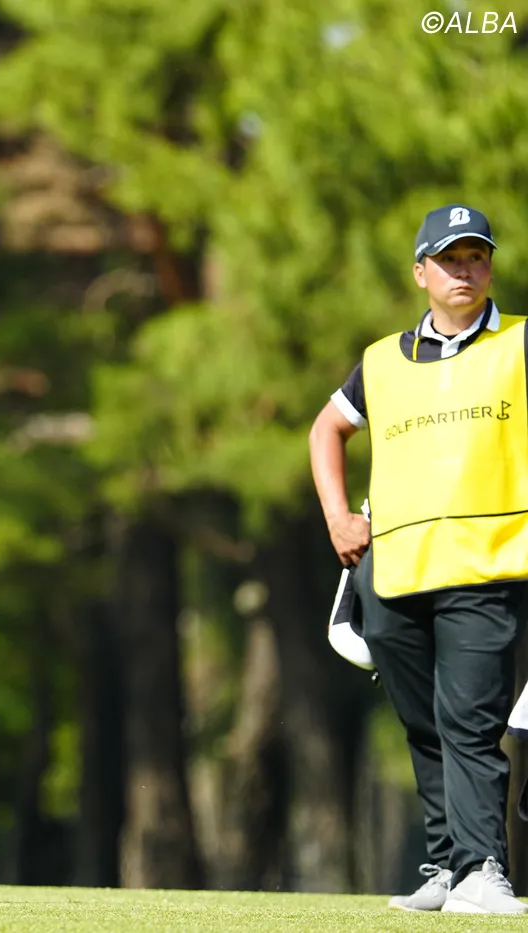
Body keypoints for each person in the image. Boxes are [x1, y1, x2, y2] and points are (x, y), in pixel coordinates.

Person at [309, 204, 528, 915]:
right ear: (420, 273)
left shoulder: (521, 343)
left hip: (487, 565)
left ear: (489, 267)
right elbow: (327, 429)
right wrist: (338, 516)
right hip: (395, 572)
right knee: (425, 723)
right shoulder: (381, 360)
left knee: (470, 721)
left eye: (476, 257)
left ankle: (483, 870)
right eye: (450, 259)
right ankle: (446, 864)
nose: (465, 270)